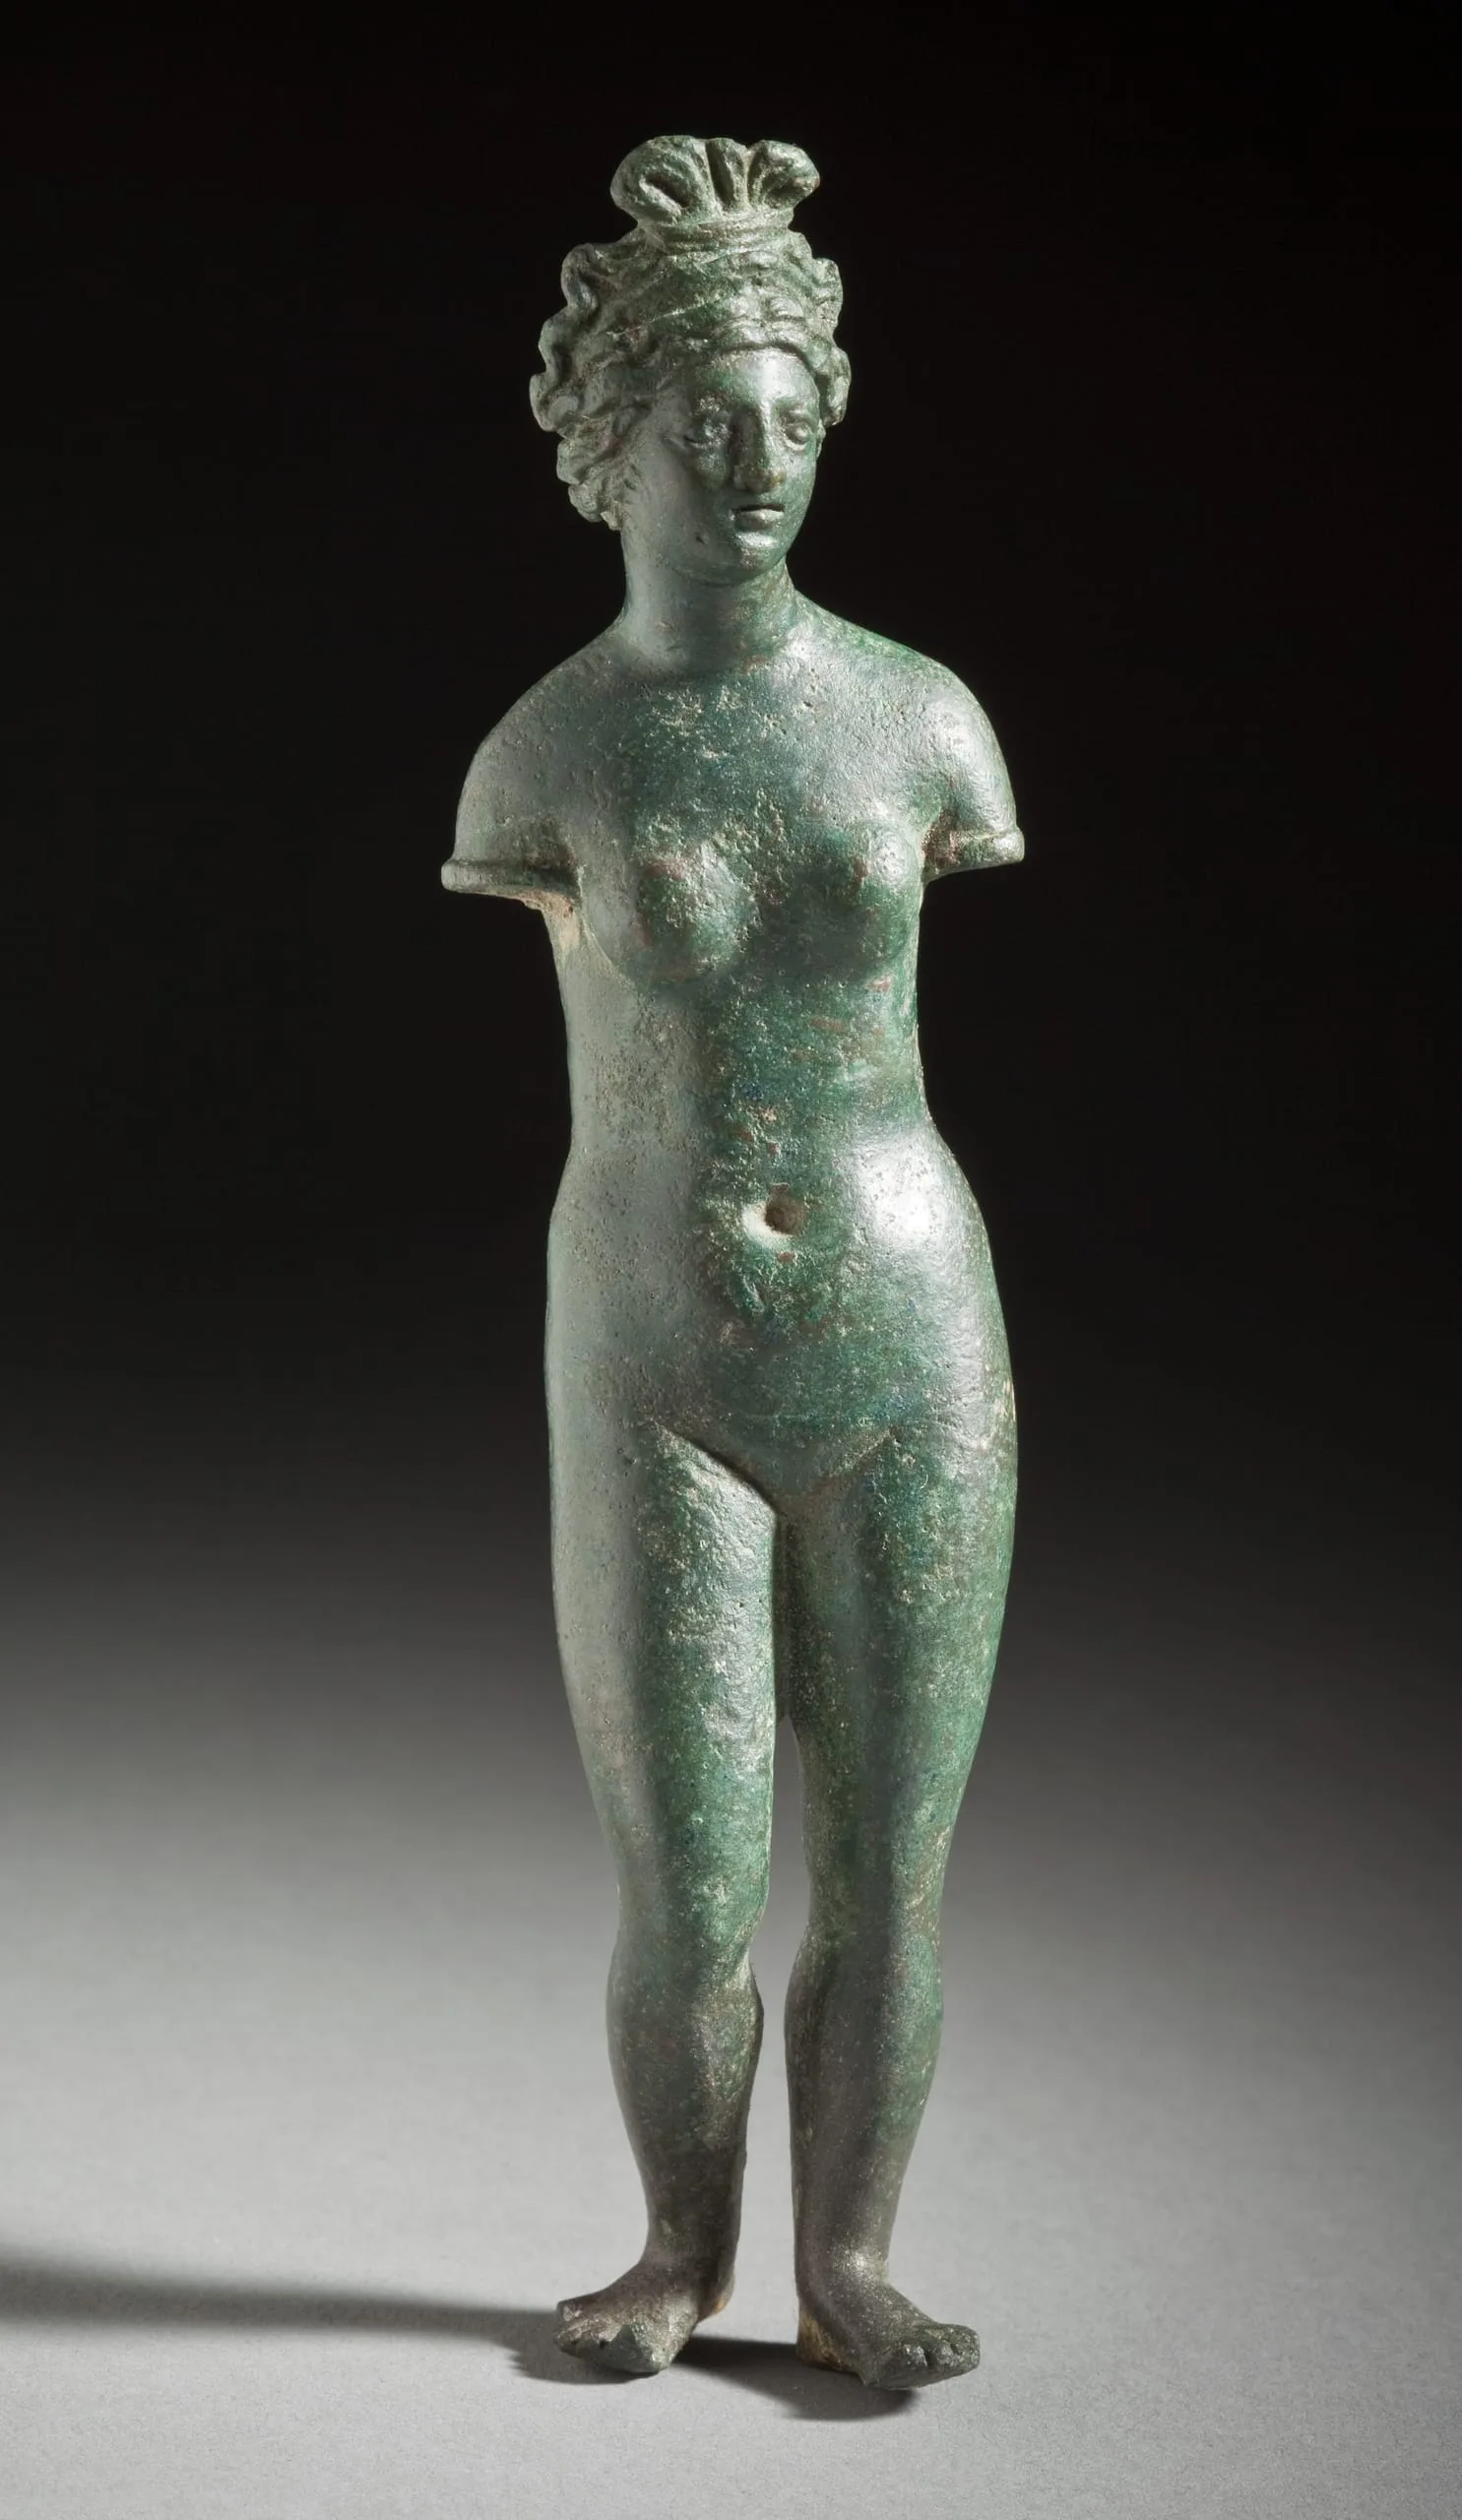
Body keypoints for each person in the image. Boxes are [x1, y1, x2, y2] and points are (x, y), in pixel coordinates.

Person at [444, 134, 1023, 2389]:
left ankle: (847, 2257)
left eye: (793, 414)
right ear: (619, 442)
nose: (761, 459)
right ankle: (677, 2248)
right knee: (686, 1881)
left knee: (887, 1864)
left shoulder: (920, 717)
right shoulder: (549, 752)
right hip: (653, 1348)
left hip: (909, 1333)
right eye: (713, 418)